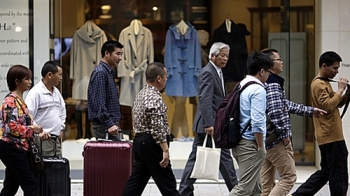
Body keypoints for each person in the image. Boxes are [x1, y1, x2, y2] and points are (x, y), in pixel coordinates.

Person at [260, 49, 326, 196]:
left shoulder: (267, 83)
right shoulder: (273, 84)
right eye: (278, 59)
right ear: (270, 65)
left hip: (265, 139)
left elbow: (284, 105)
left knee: (267, 185)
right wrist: (284, 135)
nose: (282, 62)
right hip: (275, 140)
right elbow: (276, 111)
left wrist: (310, 111)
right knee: (289, 177)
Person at [179, 42, 238, 196]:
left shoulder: (217, 71)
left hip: (212, 123)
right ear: (213, 56)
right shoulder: (208, 72)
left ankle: (184, 191)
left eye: (227, 56)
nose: (225, 59)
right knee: (224, 158)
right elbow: (205, 99)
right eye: (222, 55)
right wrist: (209, 124)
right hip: (210, 124)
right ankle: (238, 191)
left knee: (198, 158)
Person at [291, 51, 349, 196]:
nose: (336, 72)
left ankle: (299, 195)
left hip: (329, 134)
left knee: (326, 172)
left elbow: (335, 104)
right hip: (331, 136)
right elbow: (327, 106)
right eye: (334, 68)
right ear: (324, 66)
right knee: (339, 173)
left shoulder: (325, 83)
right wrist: (340, 89)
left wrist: (345, 95)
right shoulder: (318, 84)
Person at [122, 62, 180, 196]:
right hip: (152, 143)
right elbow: (157, 127)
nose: (167, 79)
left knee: (136, 182)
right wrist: (165, 150)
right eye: (166, 76)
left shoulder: (141, 94)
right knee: (168, 184)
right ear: (159, 78)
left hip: (140, 141)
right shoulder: (154, 97)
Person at [228, 52, 273, 196]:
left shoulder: (242, 84)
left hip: (239, 141)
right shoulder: (258, 89)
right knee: (244, 189)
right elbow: (258, 121)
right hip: (250, 144)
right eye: (268, 72)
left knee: (255, 189)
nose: (268, 75)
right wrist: (261, 145)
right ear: (261, 71)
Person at [0, 65, 44, 196]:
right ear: (17, 81)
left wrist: (38, 130)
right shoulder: (10, 102)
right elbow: (11, 127)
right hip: (12, 147)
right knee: (31, 185)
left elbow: (26, 121)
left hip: (18, 147)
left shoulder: (20, 101)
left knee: (10, 186)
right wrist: (32, 129)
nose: (30, 82)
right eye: (27, 79)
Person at [25, 61, 66, 157]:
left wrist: (61, 127)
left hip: (56, 139)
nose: (61, 78)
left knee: (58, 168)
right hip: (43, 140)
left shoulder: (56, 92)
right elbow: (28, 116)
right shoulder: (35, 93)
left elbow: (62, 110)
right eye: (59, 75)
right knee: (46, 169)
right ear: (50, 75)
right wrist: (39, 132)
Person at [87, 40, 123, 140]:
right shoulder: (101, 73)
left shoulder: (107, 72)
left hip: (110, 124)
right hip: (105, 126)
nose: (120, 58)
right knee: (111, 155)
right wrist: (109, 124)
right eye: (117, 54)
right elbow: (99, 103)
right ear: (107, 53)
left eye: (121, 54)